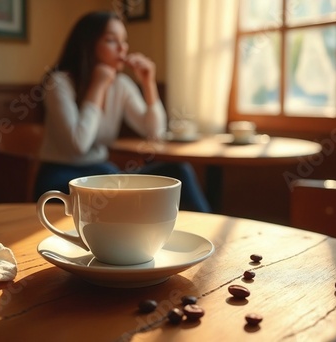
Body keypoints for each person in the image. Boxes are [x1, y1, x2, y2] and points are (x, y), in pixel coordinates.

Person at [34, 11, 210, 212]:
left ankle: (211, 238)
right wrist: (98, 87)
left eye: (124, 41)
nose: (122, 48)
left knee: (179, 171)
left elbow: (155, 133)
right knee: (116, 192)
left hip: (102, 173)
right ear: (88, 44)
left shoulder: (121, 85)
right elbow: (78, 145)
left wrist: (148, 83)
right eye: (111, 40)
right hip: (61, 175)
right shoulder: (58, 83)